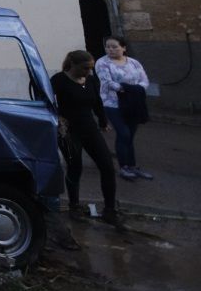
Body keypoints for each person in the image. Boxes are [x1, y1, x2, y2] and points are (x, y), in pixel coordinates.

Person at [52, 50, 119, 225]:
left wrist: (103, 121)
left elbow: (97, 101)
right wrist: (57, 119)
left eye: (90, 68)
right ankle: (74, 205)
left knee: (107, 166)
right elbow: (46, 101)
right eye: (84, 68)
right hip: (67, 131)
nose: (87, 72)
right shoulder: (59, 80)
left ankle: (110, 209)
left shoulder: (90, 80)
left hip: (89, 127)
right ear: (73, 65)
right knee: (75, 166)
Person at [96, 36, 153, 180]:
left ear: (123, 48)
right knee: (124, 133)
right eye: (108, 47)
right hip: (113, 103)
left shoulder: (133, 62)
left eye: (114, 47)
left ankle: (132, 166)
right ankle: (123, 167)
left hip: (133, 103)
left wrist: (135, 89)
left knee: (130, 135)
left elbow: (144, 80)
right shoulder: (102, 63)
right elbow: (107, 82)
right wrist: (124, 88)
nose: (110, 49)